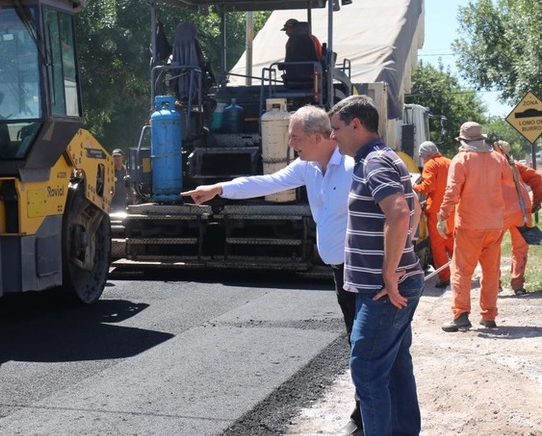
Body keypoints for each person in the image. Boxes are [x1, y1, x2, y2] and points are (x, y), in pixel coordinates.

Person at [181, 105, 363, 436]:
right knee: (356, 342)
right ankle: (368, 412)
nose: (290, 143)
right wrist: (220, 189)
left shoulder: (353, 167)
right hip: (340, 273)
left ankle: (367, 418)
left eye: (294, 137)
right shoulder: (309, 166)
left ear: (317, 137)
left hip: (364, 271)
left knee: (365, 347)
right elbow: (268, 181)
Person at [328, 94, 424, 436]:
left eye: (337, 129)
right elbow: (414, 208)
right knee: (395, 367)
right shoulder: (386, 158)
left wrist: (388, 270)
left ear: (356, 125)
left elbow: (398, 213)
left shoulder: (374, 162)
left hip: (383, 290)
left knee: (367, 369)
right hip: (392, 284)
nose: (333, 136)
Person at [438, 122, 513, 332]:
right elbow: (509, 181)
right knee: (491, 272)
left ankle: (461, 314)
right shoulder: (497, 158)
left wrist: (442, 215)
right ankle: (489, 316)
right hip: (495, 225)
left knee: (461, 271)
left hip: (470, 225)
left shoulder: (461, 159)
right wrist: (507, 157)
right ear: (482, 139)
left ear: (462, 141)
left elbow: (452, 192)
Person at [495, 140, 542, 296]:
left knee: (492, 248)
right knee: (520, 249)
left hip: (498, 212)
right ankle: (518, 285)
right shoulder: (514, 165)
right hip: (521, 212)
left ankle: (494, 285)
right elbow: (537, 178)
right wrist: (536, 203)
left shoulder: (488, 165)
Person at [413, 141, 454, 288]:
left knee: (438, 247)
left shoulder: (430, 164)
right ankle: (460, 274)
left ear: (426, 154)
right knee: (452, 243)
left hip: (437, 212)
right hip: (452, 210)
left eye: (421, 155)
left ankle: (445, 278)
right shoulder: (450, 162)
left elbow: (429, 186)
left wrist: (413, 186)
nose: (421, 158)